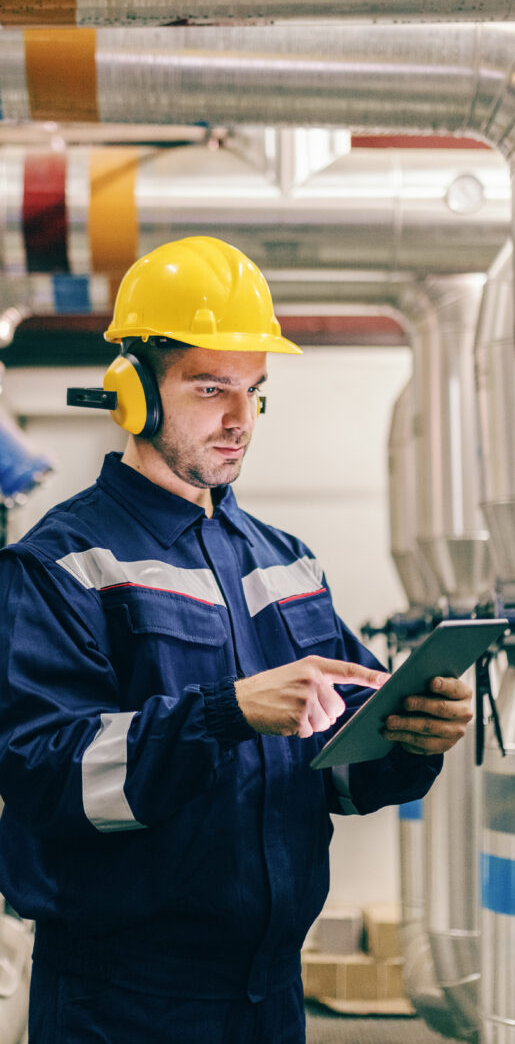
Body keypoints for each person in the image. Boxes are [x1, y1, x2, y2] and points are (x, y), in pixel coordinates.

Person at [0, 236, 473, 1044]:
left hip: (267, 999)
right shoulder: (62, 563)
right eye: (210, 386)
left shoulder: (286, 563)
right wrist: (224, 714)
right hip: (121, 1007)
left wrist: (409, 740)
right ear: (135, 392)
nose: (238, 419)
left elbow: (331, 778)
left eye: (253, 390)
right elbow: (50, 779)